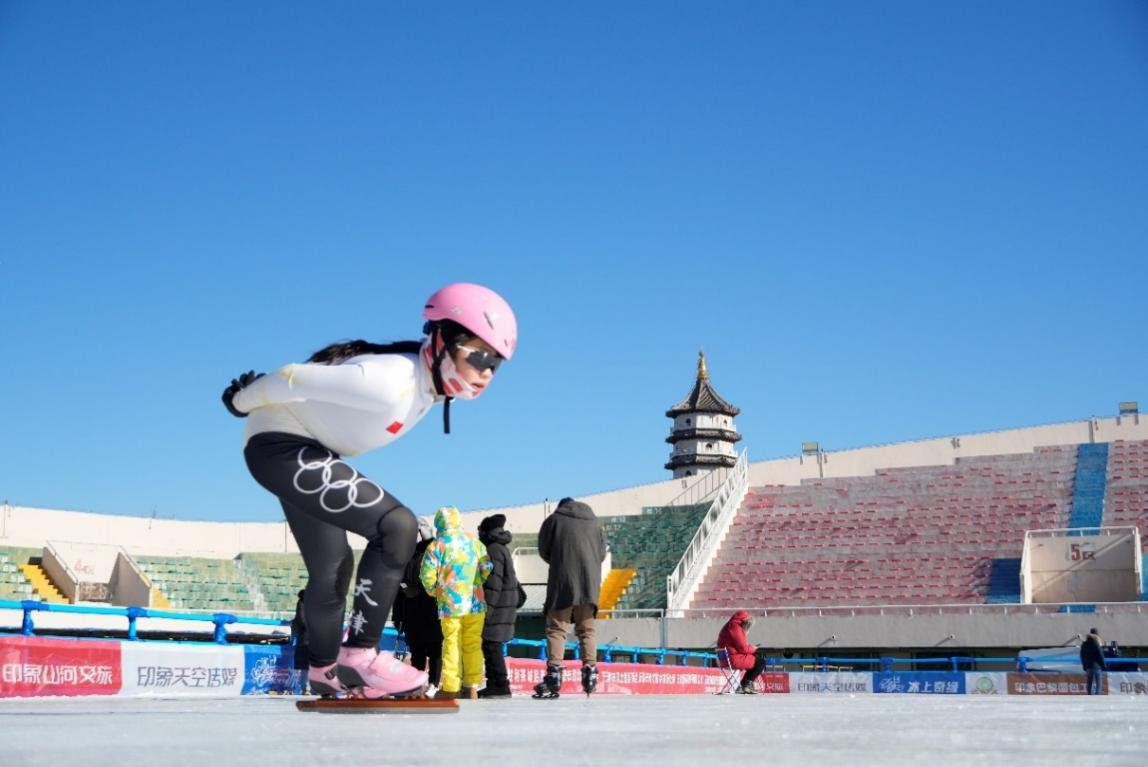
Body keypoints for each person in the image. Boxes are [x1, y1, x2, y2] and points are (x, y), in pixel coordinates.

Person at [221, 283, 517, 699]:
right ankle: (360, 656)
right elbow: (292, 377)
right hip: (283, 448)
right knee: (396, 526)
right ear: (442, 338)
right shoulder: (391, 380)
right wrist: (240, 401)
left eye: (496, 364)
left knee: (333, 569)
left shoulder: (424, 390)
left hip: (299, 450)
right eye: (480, 355)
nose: (486, 372)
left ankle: (325, 670)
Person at [534, 497, 607, 698]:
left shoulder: (554, 520)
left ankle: (554, 673)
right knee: (587, 631)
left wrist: (559, 561)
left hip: (562, 582)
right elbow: (601, 554)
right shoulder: (595, 522)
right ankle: (590, 672)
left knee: (557, 629)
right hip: (589, 584)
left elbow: (544, 549)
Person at [419, 505, 492, 700]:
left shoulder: (437, 545)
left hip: (450, 604)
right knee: (473, 643)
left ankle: (451, 687)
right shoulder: (474, 542)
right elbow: (487, 565)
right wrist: (477, 582)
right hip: (475, 602)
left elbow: (426, 574)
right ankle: (473, 685)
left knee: (451, 643)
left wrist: (434, 591)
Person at [391, 517, 443, 692]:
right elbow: (398, 585)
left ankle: (434, 683)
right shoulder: (405, 554)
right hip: (411, 611)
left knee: (435, 649)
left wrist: (419, 591)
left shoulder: (436, 550)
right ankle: (416, 682)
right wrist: (397, 615)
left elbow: (443, 581)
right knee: (417, 650)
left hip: (433, 609)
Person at [477, 513, 526, 698]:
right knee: (492, 646)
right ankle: (497, 684)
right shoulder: (501, 548)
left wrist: (486, 611)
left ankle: (499, 685)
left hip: (497, 608)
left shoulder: (493, 550)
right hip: (504, 605)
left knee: (491, 646)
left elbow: (493, 584)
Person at [717, 610, 767, 694]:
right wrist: (754, 648)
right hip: (734, 659)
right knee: (761, 662)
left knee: (756, 658)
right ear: (744, 621)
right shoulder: (736, 627)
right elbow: (743, 648)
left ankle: (744, 684)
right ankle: (747, 683)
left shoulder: (729, 625)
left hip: (727, 658)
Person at [290, 588, 310, 694]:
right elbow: (302, 620)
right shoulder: (303, 603)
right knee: (305, 665)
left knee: (309, 664)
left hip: (310, 638)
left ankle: (308, 687)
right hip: (305, 638)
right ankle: (305, 687)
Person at [1080, 627, 1107, 695]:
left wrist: (1084, 666)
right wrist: (1104, 665)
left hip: (1088, 666)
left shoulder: (1084, 644)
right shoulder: (1096, 643)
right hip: (1096, 666)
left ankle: (1089, 694)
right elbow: (1100, 655)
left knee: (1089, 682)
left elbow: (1082, 656)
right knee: (1098, 682)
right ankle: (1097, 696)